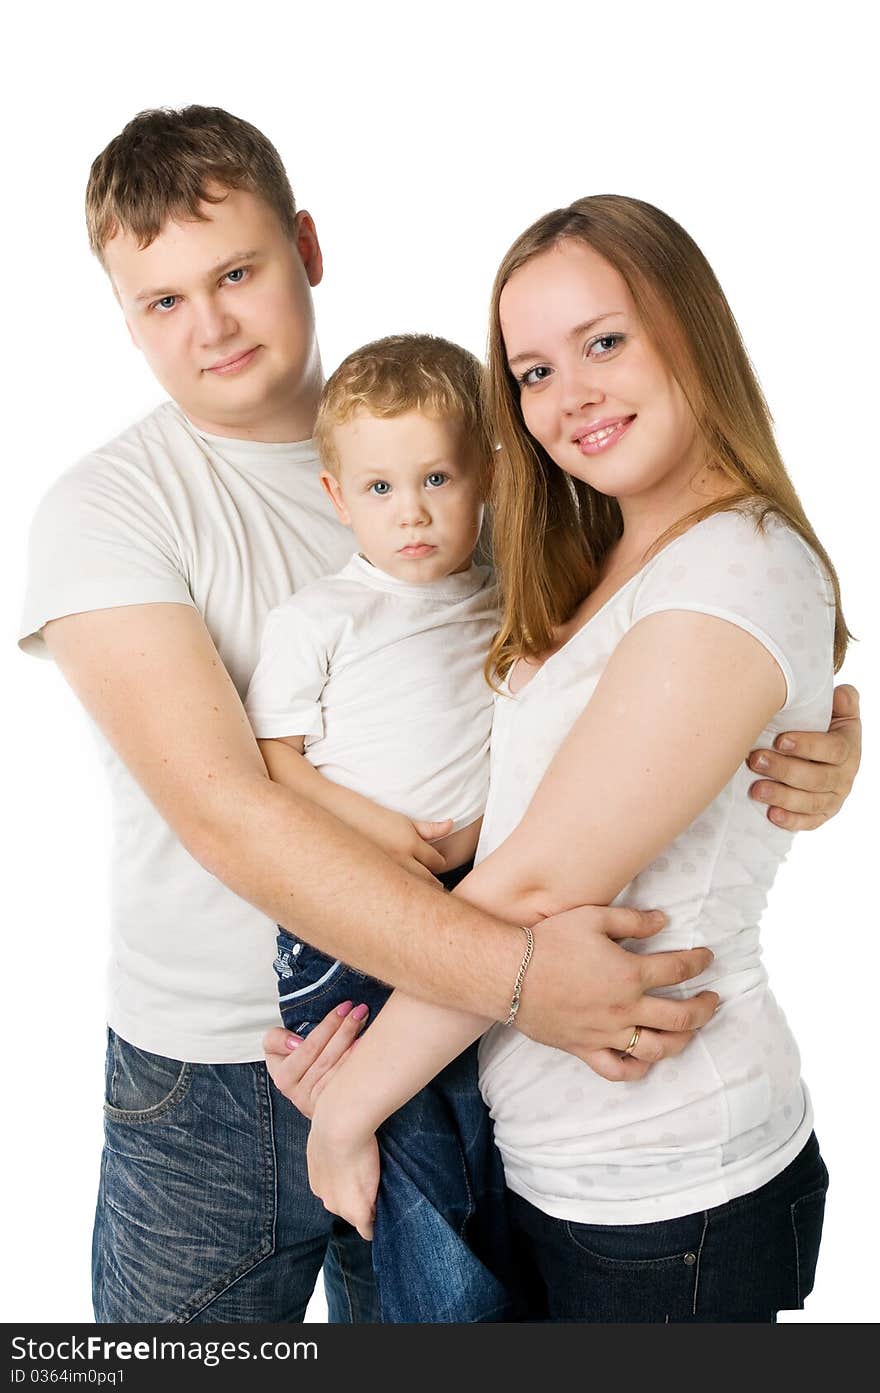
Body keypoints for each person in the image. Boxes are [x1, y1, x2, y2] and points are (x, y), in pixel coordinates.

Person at [18, 104, 859, 1325]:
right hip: (225, 1066)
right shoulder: (107, 510)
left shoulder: (439, 445)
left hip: (450, 1046)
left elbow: (619, 654)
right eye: (159, 301)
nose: (209, 326)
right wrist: (521, 977)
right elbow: (226, 811)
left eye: (238, 271)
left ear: (307, 245)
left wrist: (804, 749)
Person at [274, 195, 851, 1323]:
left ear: (690, 328)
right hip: (545, 1152)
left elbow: (539, 880)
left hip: (667, 1182)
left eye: (603, 341)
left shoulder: (732, 568)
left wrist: (348, 1106)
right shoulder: (606, 546)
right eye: (531, 370)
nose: (569, 393)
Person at [245, 331, 525, 1321]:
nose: (410, 512)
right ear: (336, 496)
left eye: (437, 477)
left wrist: (472, 834)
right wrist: (382, 835)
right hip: (346, 910)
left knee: (478, 1128)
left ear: (486, 471)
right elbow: (276, 761)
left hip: (472, 892)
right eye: (379, 489)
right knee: (408, 1128)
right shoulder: (322, 617)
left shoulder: (505, 595)